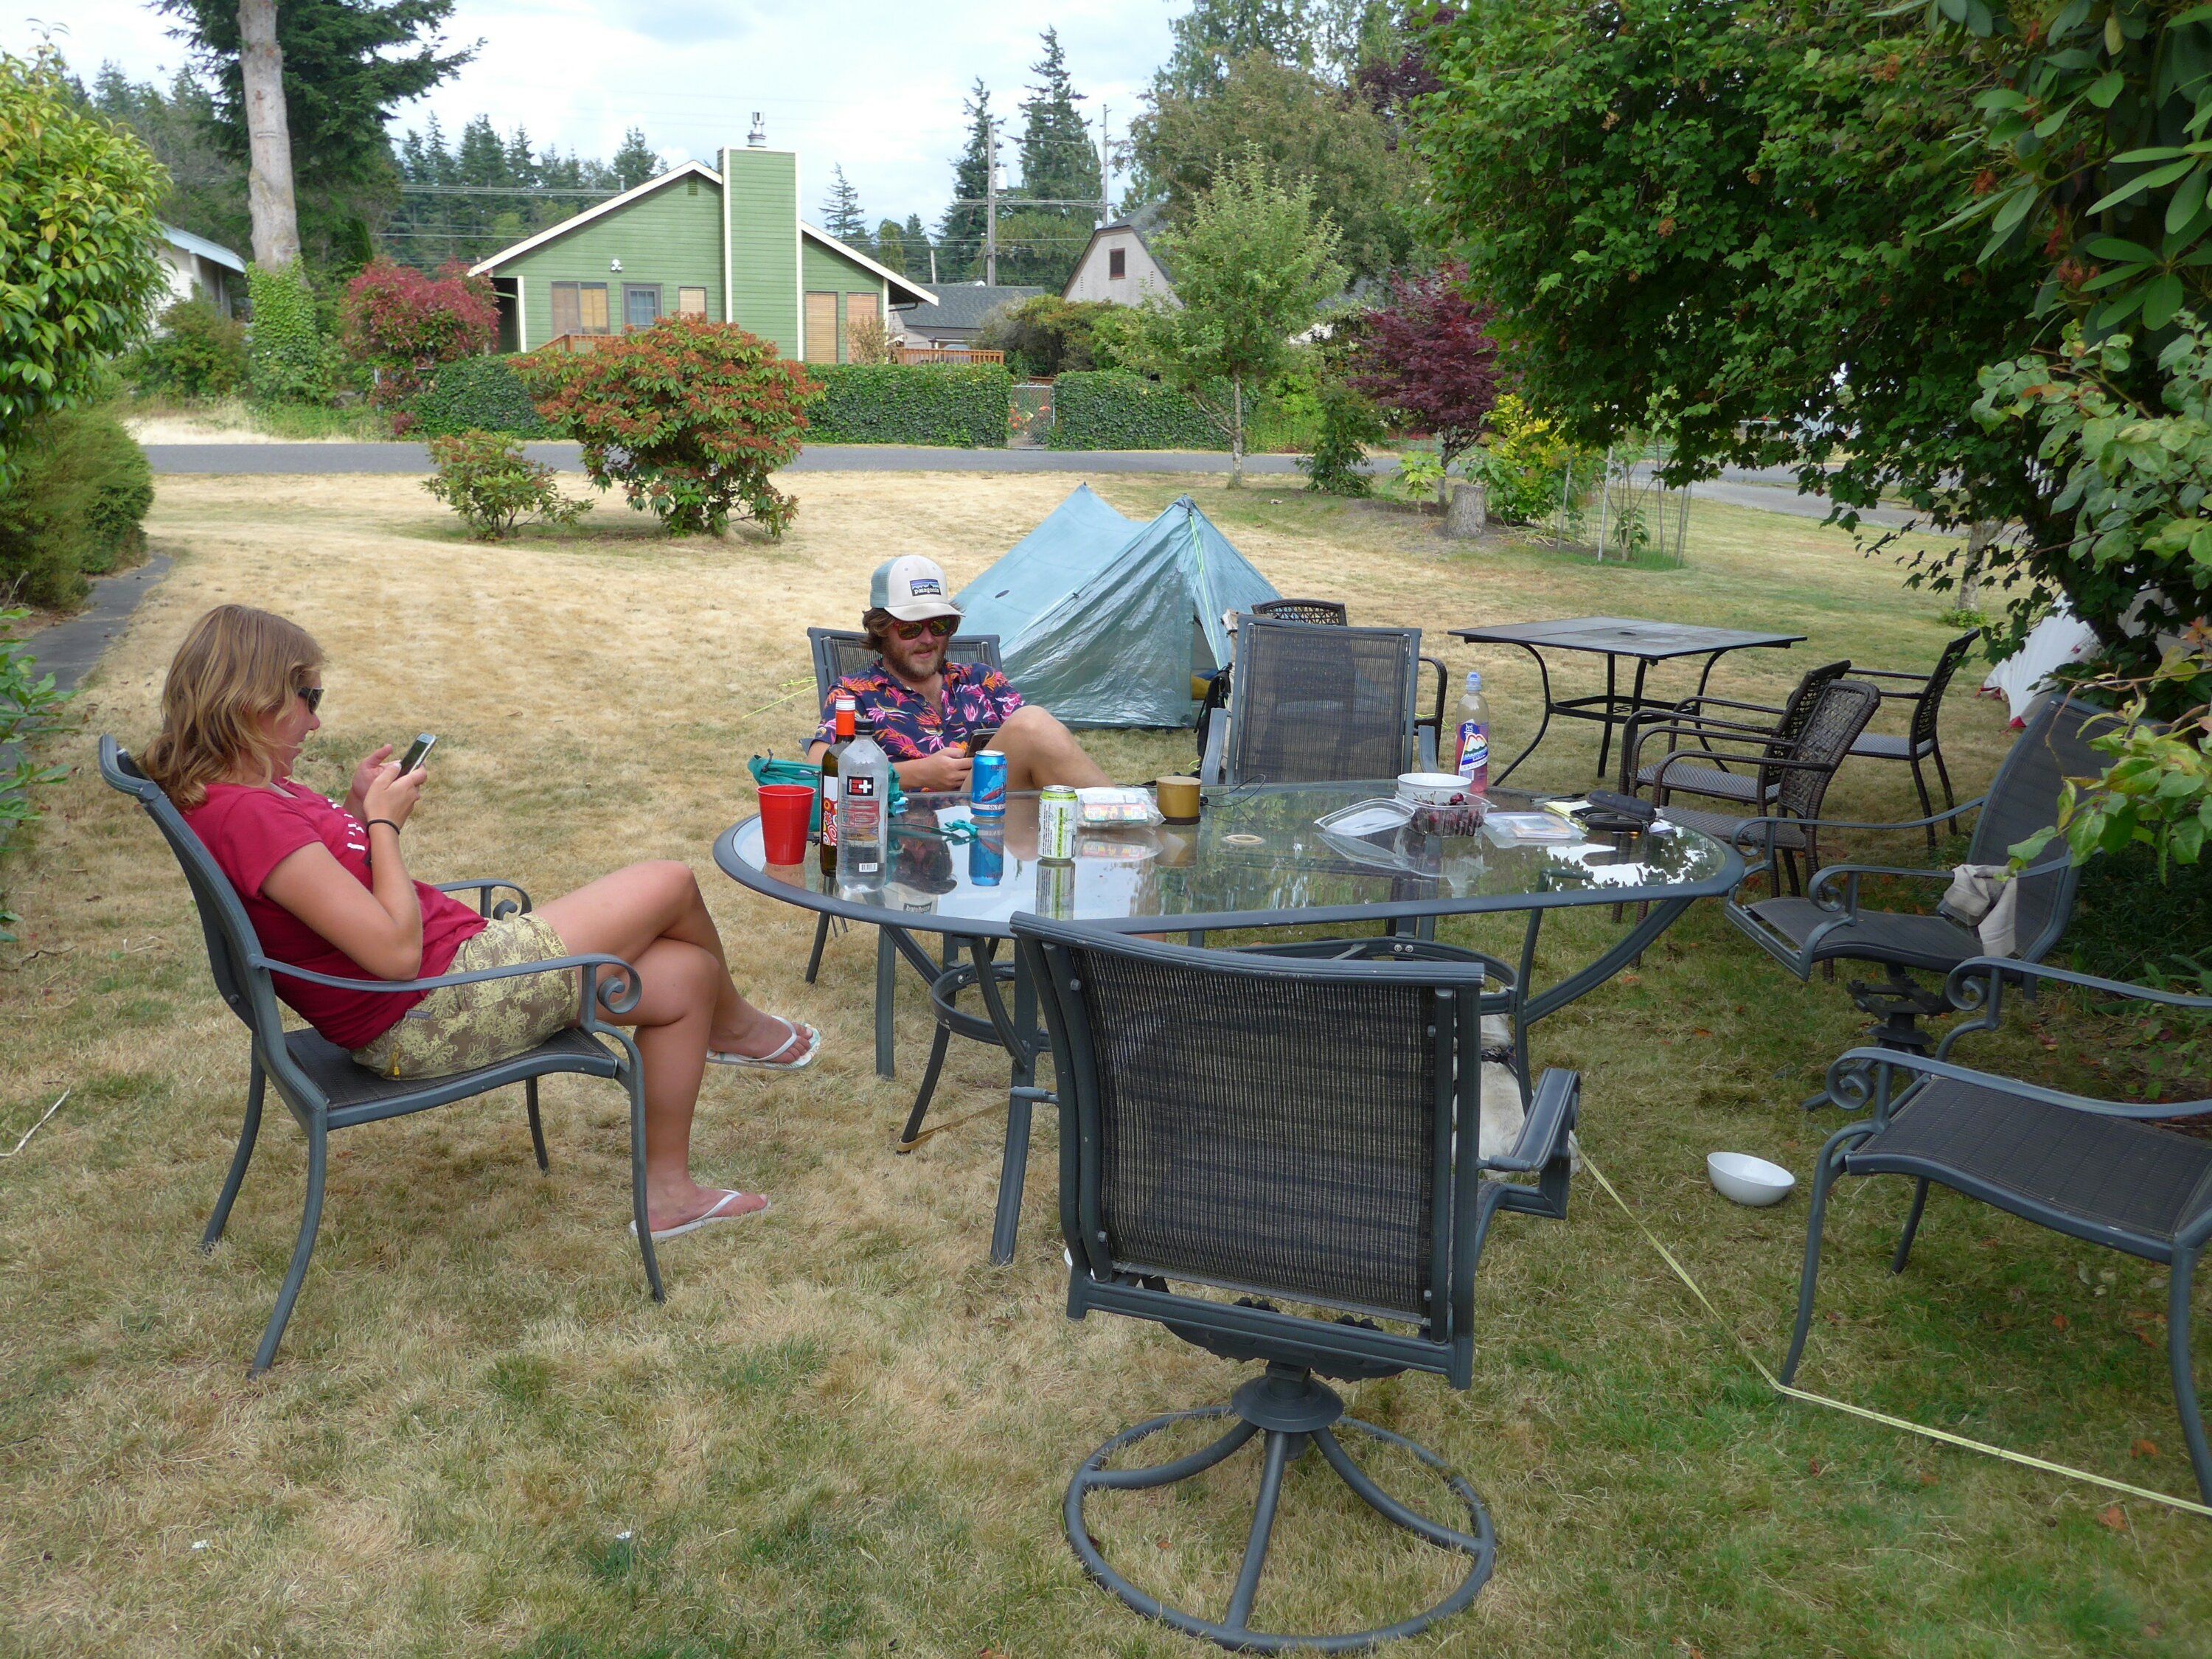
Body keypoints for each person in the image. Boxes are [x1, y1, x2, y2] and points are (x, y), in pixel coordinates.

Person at [141, 605, 811, 1244]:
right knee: (669, 881)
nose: (316, 722)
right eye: (308, 698)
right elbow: (395, 954)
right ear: (252, 701)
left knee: (688, 975)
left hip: (449, 981)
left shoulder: (252, 793)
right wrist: (384, 825)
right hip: (429, 1009)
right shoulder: (249, 816)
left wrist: (355, 808)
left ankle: (669, 1196)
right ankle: (739, 1029)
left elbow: (330, 890)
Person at [807, 555, 1112, 793]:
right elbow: (817, 772)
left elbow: (1041, 746)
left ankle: (1120, 824)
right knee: (1032, 723)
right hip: (911, 835)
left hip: (1002, 825)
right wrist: (917, 774)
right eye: (911, 628)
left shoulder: (983, 682)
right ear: (881, 629)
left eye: (940, 625)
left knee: (1033, 725)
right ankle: (1126, 821)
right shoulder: (855, 693)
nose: (928, 639)